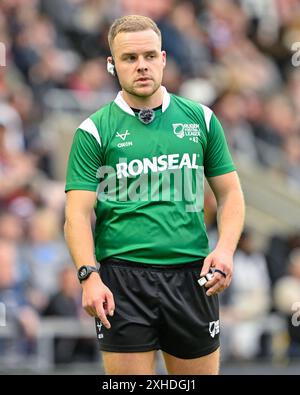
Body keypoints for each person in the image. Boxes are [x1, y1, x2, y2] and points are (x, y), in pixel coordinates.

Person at [64, 15, 245, 375]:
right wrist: (89, 276)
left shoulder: (201, 119)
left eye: (149, 56)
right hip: (122, 281)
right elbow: (76, 216)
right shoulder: (94, 130)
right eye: (129, 59)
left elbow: (231, 195)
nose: (141, 66)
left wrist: (224, 250)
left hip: (192, 277)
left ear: (163, 58)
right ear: (111, 65)